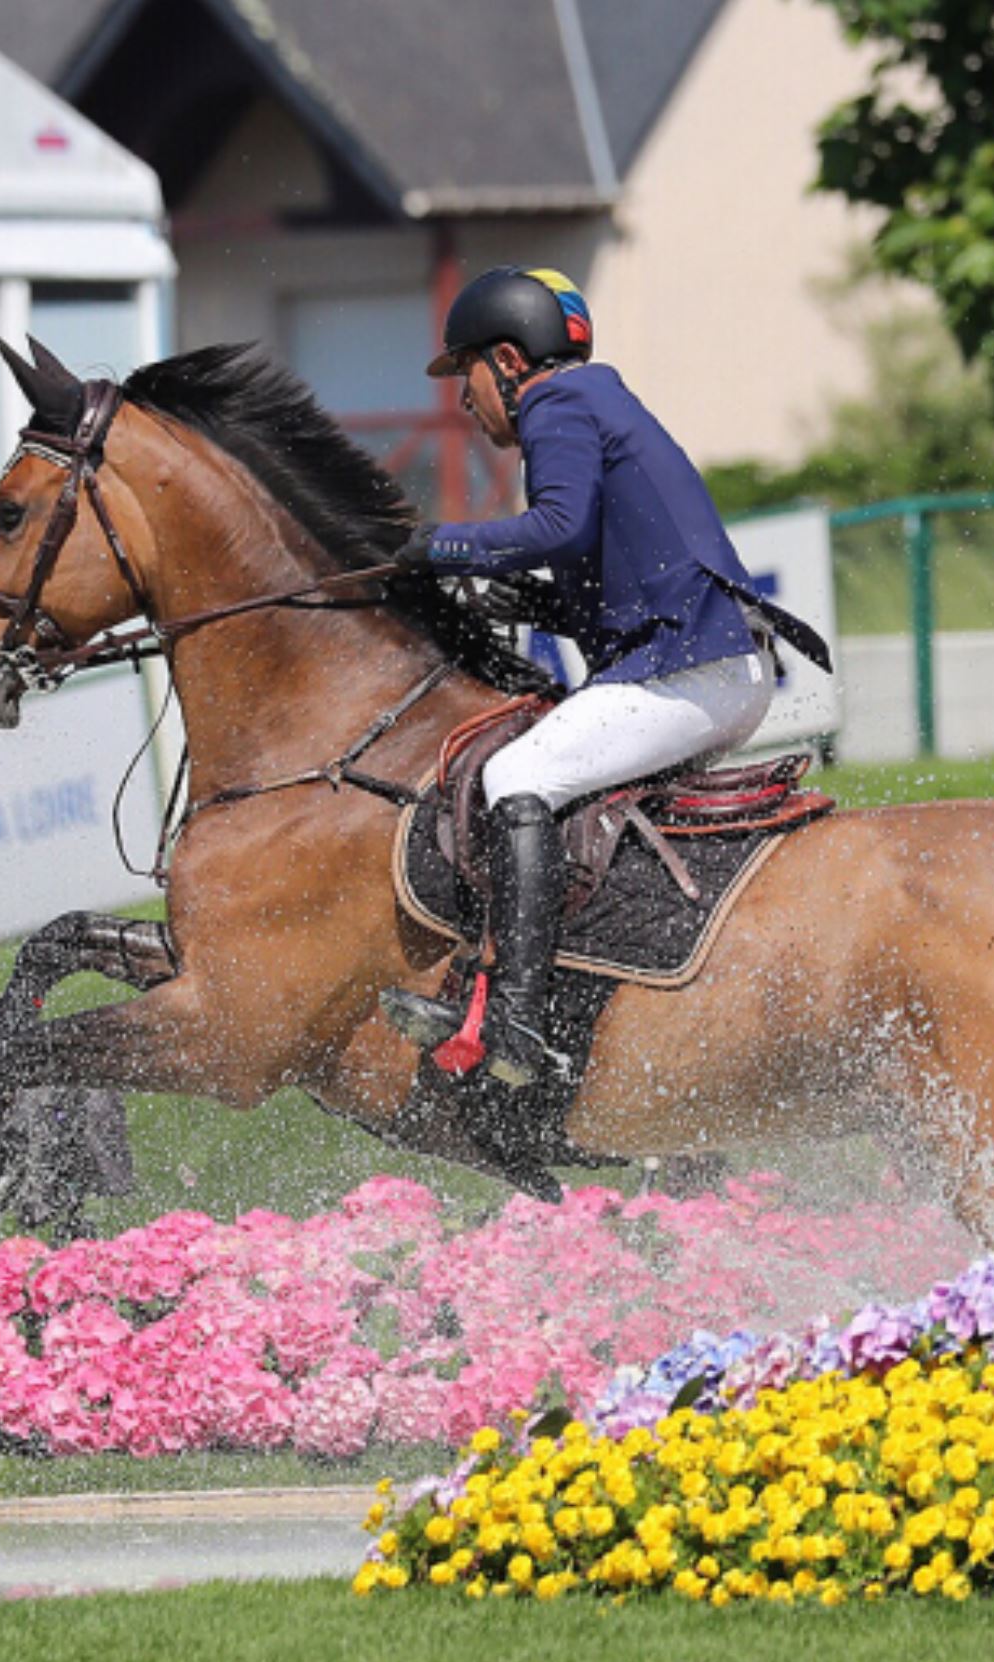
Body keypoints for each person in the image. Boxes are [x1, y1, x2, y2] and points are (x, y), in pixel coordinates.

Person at [381, 267, 829, 1091]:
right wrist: (540, 608)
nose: (464, 401)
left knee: (517, 774)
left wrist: (430, 544)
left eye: (466, 373)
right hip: (703, 664)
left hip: (696, 673)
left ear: (509, 360)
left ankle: (514, 1016)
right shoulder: (593, 404)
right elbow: (608, 587)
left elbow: (557, 526)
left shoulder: (558, 404)